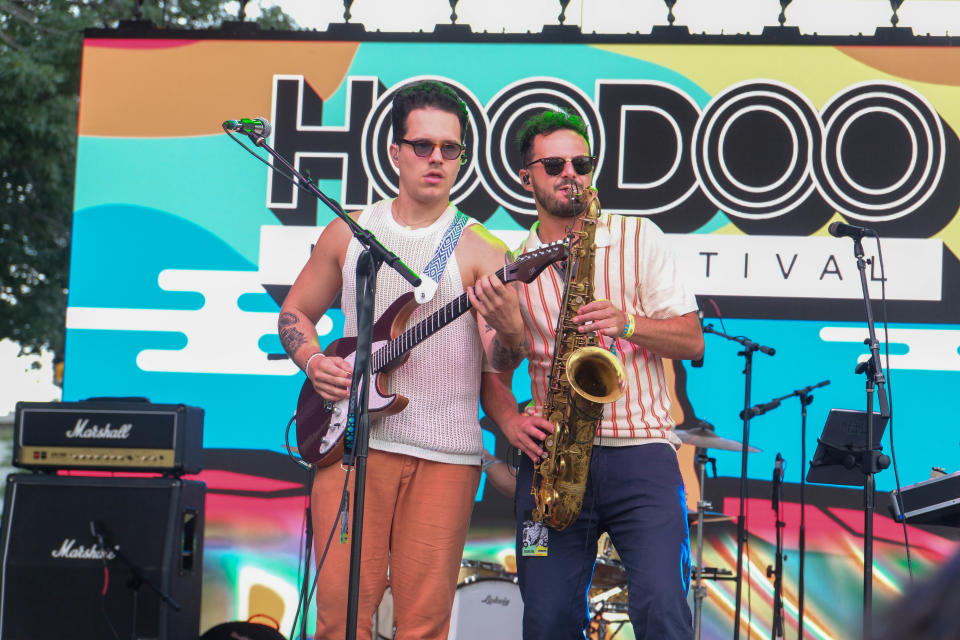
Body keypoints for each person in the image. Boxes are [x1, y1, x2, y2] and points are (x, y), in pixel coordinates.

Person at [278, 80, 527, 640]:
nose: (437, 159)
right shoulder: (350, 232)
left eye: (451, 149)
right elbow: (294, 313)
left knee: (423, 625)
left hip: (446, 457)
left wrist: (511, 327)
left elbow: (501, 363)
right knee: (341, 619)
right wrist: (313, 361)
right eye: (423, 146)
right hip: (351, 447)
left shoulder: (484, 248)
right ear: (395, 152)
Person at [481, 108, 704, 640]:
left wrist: (629, 323)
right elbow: (492, 369)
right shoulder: (511, 264)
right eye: (554, 163)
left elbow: (692, 339)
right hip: (551, 465)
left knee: (662, 607)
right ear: (526, 177)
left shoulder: (638, 236)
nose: (570, 173)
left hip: (642, 455)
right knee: (547, 618)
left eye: (581, 162)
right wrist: (509, 422)